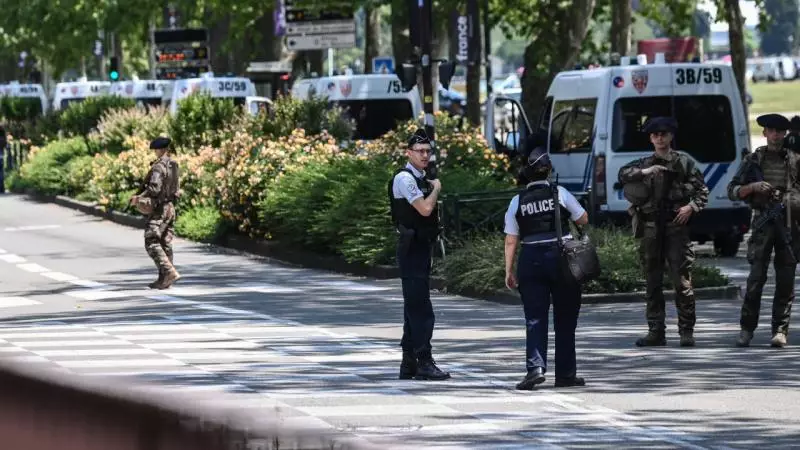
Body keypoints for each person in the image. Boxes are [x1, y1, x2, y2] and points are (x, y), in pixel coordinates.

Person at [618, 117, 709, 347]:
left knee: (682, 282)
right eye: (655, 135)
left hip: (675, 228)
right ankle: (656, 331)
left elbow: (702, 191)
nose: (660, 138)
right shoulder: (644, 163)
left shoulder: (684, 162)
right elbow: (623, 175)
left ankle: (686, 331)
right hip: (651, 229)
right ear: (650, 138)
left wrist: (691, 207)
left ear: (671, 136)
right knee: (652, 281)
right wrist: (647, 171)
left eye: (664, 134)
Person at [504, 146, 589, 390]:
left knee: (534, 317)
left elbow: (511, 239)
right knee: (565, 318)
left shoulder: (516, 201)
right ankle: (565, 374)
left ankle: (535, 369)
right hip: (561, 259)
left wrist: (508, 271)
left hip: (530, 259)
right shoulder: (559, 193)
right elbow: (582, 218)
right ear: (549, 171)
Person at [727, 113, 800, 348]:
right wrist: (751, 187)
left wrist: (791, 199)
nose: (776, 135)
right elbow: (732, 190)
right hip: (762, 224)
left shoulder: (795, 160)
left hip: (789, 224)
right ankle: (747, 329)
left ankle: (780, 330)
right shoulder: (753, 161)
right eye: (771, 131)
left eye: (780, 131)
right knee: (756, 279)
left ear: (786, 134)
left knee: (786, 279)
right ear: (765, 133)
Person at [387, 128, 450, 381]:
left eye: (427, 151)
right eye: (420, 151)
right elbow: (424, 209)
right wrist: (437, 188)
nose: (425, 155)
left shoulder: (419, 177)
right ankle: (424, 361)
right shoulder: (405, 179)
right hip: (411, 249)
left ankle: (409, 362)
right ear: (408, 153)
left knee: (413, 308)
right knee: (421, 309)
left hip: (420, 248)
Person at [130, 137, 181, 290]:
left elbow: (154, 188)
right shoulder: (173, 164)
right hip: (170, 207)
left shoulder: (159, 166)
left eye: (156, 150)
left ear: (160, 149)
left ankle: (169, 272)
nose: (155, 152)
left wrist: (139, 198)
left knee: (151, 241)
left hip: (160, 209)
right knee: (165, 242)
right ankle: (164, 279)